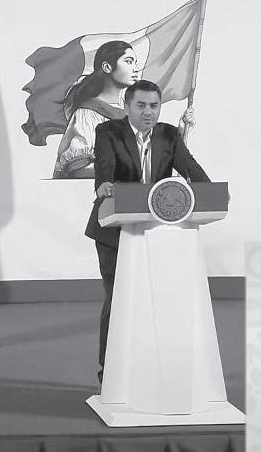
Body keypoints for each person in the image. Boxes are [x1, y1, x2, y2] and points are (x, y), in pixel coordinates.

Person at [86, 79, 209, 383]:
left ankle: (149, 367)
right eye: (141, 105)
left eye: (154, 106)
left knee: (155, 301)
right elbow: (104, 169)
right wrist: (104, 184)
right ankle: (109, 373)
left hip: (157, 233)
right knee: (118, 299)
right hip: (114, 232)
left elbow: (190, 168)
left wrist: (210, 191)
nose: (148, 112)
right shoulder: (108, 132)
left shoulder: (169, 135)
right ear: (126, 106)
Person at [53, 40, 194, 179]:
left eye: (135, 62)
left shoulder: (132, 111)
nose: (136, 68)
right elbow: (78, 169)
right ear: (107, 67)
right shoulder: (87, 114)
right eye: (128, 61)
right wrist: (129, 170)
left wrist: (181, 131)